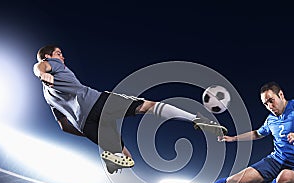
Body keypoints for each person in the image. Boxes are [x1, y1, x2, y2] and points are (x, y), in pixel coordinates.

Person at [33, 45, 227, 173]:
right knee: (148, 106)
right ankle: (195, 119)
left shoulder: (47, 97)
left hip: (86, 125)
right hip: (98, 103)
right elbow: (39, 67)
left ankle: (115, 157)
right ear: (49, 57)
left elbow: (64, 127)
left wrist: (88, 134)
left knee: (128, 158)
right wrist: (43, 74)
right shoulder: (53, 65)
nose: (62, 56)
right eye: (58, 53)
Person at [174, 81, 294, 183]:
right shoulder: (270, 120)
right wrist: (233, 138)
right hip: (274, 161)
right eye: (265, 103)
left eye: (271, 100)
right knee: (233, 180)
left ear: (281, 95)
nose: (269, 106)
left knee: (284, 177)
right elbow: (257, 134)